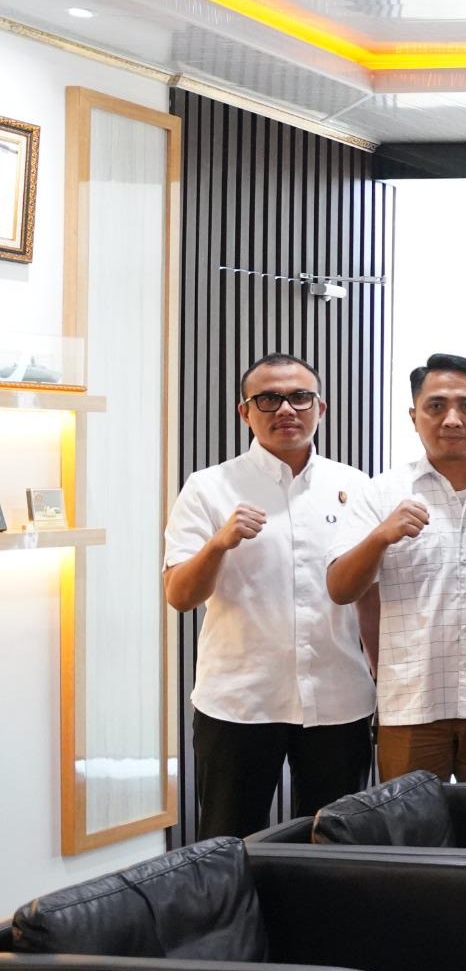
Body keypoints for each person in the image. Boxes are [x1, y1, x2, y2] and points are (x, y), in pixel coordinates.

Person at [163, 353, 375, 838]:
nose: (286, 409)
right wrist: (219, 543)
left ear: (321, 407)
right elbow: (179, 595)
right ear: (245, 412)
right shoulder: (209, 488)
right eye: (268, 399)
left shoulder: (354, 486)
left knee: (336, 843)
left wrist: (383, 679)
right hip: (240, 700)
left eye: (300, 397)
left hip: (339, 696)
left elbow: (370, 596)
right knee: (228, 842)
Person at [326, 353, 466, 782]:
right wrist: (381, 536)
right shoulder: (380, 493)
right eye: (436, 406)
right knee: (409, 822)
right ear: (413, 416)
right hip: (411, 702)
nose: (452, 419)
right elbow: (341, 589)